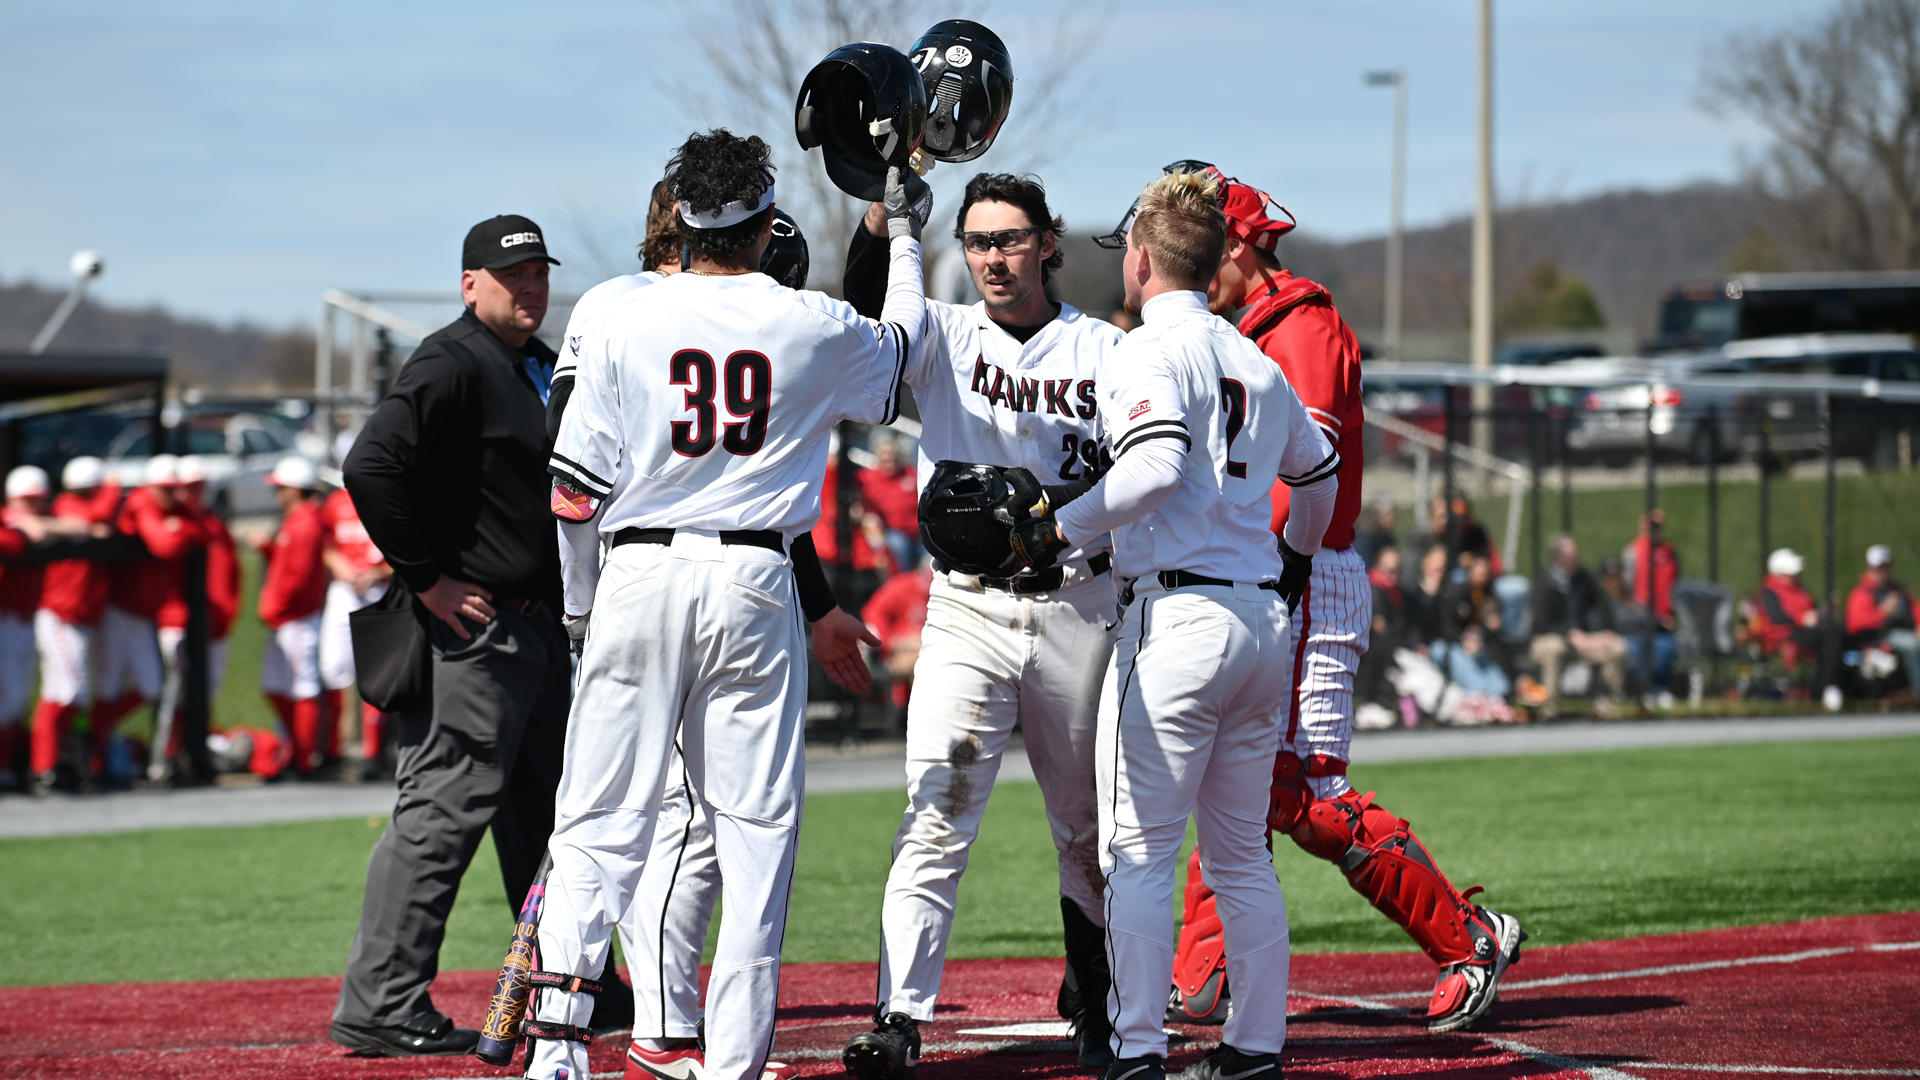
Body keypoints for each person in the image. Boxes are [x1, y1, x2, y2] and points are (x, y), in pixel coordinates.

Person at [523, 130, 926, 1080]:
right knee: (753, 832)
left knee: (597, 819)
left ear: (682, 214)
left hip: (636, 569)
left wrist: (581, 610)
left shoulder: (617, 316)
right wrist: (903, 238)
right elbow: (903, 352)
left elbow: (572, 491)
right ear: (761, 216)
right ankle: (734, 1060)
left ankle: (556, 1052)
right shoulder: (811, 320)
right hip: (755, 578)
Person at [1166, 164, 1525, 1038]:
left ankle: (1466, 940)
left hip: (1301, 572)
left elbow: (1307, 481)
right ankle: (1198, 974)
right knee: (1230, 780)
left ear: (1242, 241)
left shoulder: (1303, 323)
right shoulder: (1226, 328)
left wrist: (1258, 569)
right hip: (1256, 573)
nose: (1190, 262)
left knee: (1309, 793)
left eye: (1205, 241)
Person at [1010, 169, 1339, 1080]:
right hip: (1258, 616)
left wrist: (1056, 527)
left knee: (1143, 853)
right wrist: (1299, 561)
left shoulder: (1144, 352)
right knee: (1239, 855)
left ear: (1144, 261)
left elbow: (1151, 467)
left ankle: (1138, 1051)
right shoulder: (1257, 360)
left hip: (1179, 620)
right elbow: (1320, 477)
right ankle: (1255, 1049)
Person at [835, 171, 1130, 1075]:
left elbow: (1144, 471)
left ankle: (1093, 995)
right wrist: (885, 212)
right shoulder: (944, 330)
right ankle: (898, 1016)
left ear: (1049, 243)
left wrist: (1046, 511)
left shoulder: (1107, 351)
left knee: (1086, 828)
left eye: (1010, 239)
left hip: (1080, 606)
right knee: (937, 808)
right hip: (967, 610)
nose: (993, 258)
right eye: (977, 242)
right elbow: (865, 315)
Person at [333, 213, 594, 1057]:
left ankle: (572, 984)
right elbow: (370, 464)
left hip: (534, 632)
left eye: (538, 273)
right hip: (477, 637)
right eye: (510, 274)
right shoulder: (453, 358)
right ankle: (381, 1004)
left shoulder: (532, 363)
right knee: (440, 816)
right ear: (469, 283)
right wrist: (428, 577)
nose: (529, 286)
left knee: (550, 821)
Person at [101, 455, 208, 780]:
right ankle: (93, 739)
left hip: (145, 614)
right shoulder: (141, 502)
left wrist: (182, 527)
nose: (171, 495)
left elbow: (206, 531)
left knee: (152, 687)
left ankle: (105, 742)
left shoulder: (176, 511)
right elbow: (163, 545)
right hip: (118, 611)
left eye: (174, 489)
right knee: (106, 688)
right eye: (165, 488)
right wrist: (177, 531)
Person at [29, 456, 119, 794]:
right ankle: (45, 766)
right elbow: (94, 518)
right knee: (68, 691)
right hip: (60, 616)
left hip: (81, 617)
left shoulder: (82, 509)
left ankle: (52, 765)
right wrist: (111, 487)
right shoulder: (69, 506)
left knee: (64, 691)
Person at [257, 457, 330, 776]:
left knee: (303, 687)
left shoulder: (305, 523)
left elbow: (298, 579)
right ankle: (297, 747)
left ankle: (305, 758)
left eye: (282, 488)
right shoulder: (298, 520)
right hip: (287, 619)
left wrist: (275, 609)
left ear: (295, 490)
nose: (277, 494)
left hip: (297, 618)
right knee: (274, 684)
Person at [319, 485, 392, 769]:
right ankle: (332, 749)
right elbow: (326, 546)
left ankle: (373, 753)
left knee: (375, 672)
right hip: (344, 590)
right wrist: (339, 565)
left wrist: (380, 571)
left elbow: (411, 548)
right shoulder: (336, 502)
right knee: (332, 667)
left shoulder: (389, 495)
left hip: (378, 589)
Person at [1527, 535, 1627, 718]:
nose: (1578, 560)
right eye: (1573, 557)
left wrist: (1606, 630)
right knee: (1554, 648)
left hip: (1582, 638)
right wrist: (1569, 634)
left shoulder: (1582, 578)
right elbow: (1541, 622)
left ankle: (1607, 702)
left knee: (1617, 647)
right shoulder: (1543, 582)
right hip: (1550, 638)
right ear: (1559, 559)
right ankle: (1550, 707)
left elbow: (1603, 603)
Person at [1749, 547, 1842, 707]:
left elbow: (1810, 612)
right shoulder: (1768, 591)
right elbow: (1776, 617)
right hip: (1784, 636)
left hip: (1805, 632)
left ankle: (1827, 686)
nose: (1795, 577)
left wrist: (1822, 613)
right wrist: (1802, 619)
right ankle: (1825, 688)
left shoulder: (1800, 590)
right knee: (1829, 633)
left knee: (1834, 630)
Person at [1846, 544, 1920, 688]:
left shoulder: (1900, 590)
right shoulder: (1862, 593)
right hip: (1880, 636)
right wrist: (1882, 612)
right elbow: (1855, 624)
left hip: (1907, 631)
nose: (1882, 572)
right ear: (1869, 568)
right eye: (1878, 568)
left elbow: (1915, 610)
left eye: (1885, 567)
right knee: (1912, 645)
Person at [859, 435, 922, 573]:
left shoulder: (910, 473)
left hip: (920, 530)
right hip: (892, 531)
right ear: (878, 455)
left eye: (892, 454)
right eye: (885, 454)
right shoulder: (866, 478)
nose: (889, 459)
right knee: (898, 545)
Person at [1622, 509, 1678, 630]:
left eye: (1658, 527)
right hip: (1642, 615)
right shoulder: (1634, 550)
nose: (1656, 530)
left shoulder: (1669, 551)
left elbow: (1675, 582)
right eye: (1652, 527)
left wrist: (1671, 613)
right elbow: (1626, 585)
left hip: (1666, 617)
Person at [1352, 499, 1397, 568]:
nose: (1392, 517)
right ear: (1377, 515)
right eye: (1388, 514)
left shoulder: (1387, 537)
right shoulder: (1364, 538)